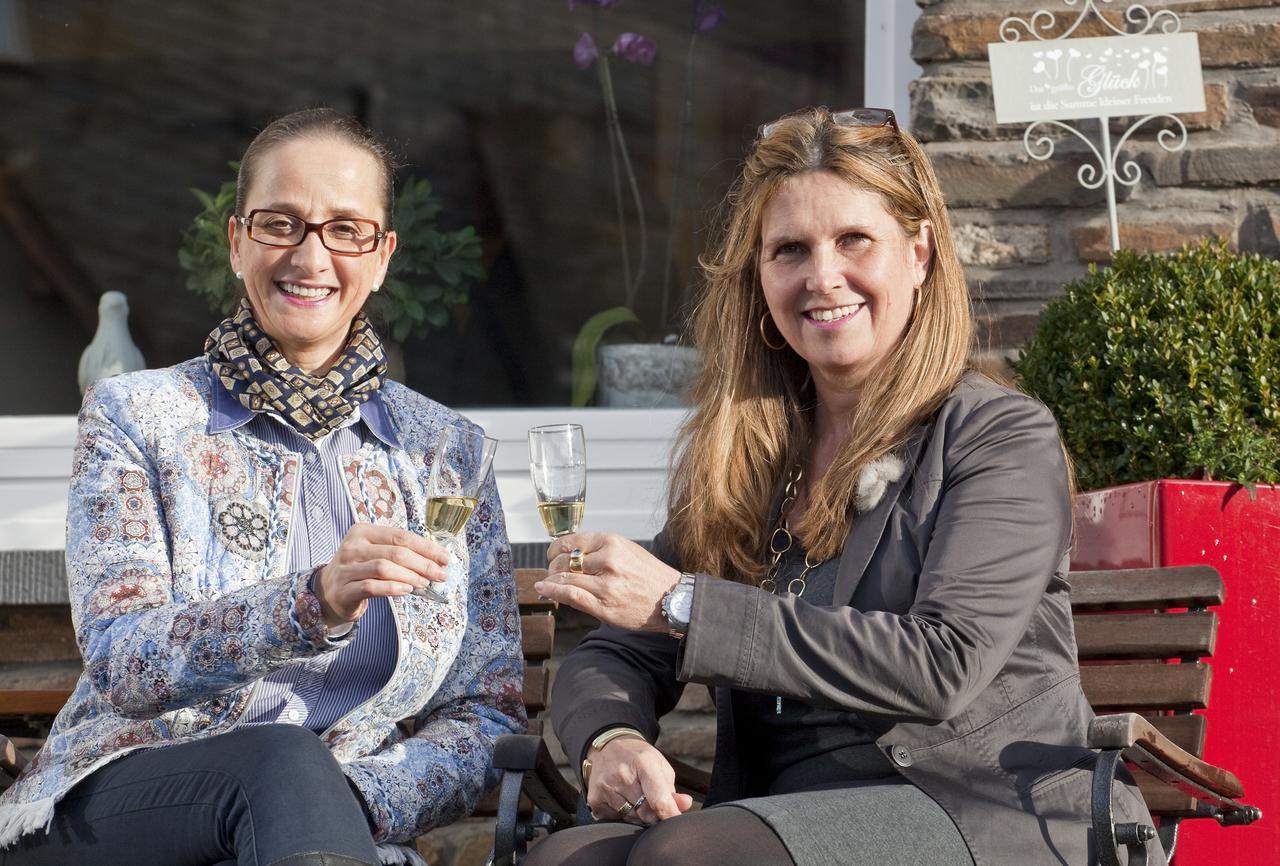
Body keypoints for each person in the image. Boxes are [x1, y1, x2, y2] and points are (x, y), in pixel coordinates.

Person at [524, 106, 1164, 866]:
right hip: (783, 813)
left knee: (689, 857)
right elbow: (618, 652)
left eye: (853, 240)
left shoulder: (997, 436)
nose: (821, 276)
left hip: (985, 808)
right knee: (569, 860)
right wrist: (612, 739)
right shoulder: (755, 456)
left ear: (919, 251)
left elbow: (943, 663)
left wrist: (682, 603)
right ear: (760, 277)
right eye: (790, 250)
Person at [0, 108, 525, 866]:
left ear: (381, 258)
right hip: (127, 802)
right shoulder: (137, 416)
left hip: (325, 821)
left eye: (346, 230)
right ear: (237, 240)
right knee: (280, 760)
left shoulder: (445, 452)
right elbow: (123, 660)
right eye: (281, 224)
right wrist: (316, 599)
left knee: (295, 782)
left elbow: (487, 709)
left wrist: (353, 799)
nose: (311, 257)